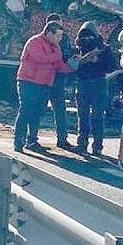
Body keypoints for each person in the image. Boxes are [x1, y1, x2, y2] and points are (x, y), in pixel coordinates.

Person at [13, 21, 73, 153]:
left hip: (44, 83)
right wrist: (57, 56)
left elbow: (58, 65)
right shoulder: (34, 42)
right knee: (26, 110)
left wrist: (72, 67)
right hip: (28, 81)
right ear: (49, 33)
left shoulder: (55, 47)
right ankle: (18, 141)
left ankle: (32, 140)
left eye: (61, 36)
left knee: (37, 112)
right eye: (58, 36)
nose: (60, 39)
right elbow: (40, 58)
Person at [73, 22, 116, 156]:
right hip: (83, 84)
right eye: (84, 36)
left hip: (99, 83)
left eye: (90, 36)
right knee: (83, 117)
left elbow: (112, 66)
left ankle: (97, 146)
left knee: (97, 117)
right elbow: (73, 68)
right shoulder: (78, 49)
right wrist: (81, 61)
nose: (87, 39)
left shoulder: (104, 48)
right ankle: (82, 144)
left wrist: (97, 61)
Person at [41, 13, 75, 150]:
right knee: (43, 109)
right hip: (48, 77)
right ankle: (31, 138)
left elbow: (65, 55)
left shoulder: (62, 38)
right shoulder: (42, 40)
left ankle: (62, 138)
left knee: (58, 109)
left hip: (56, 76)